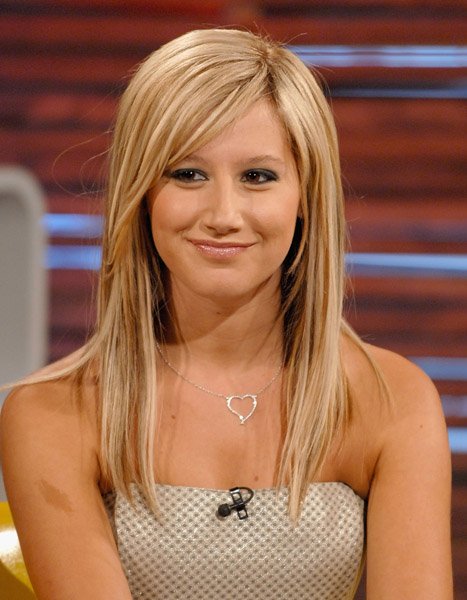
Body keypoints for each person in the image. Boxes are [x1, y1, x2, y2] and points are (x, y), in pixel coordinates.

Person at [0, 28, 452, 599]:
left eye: (257, 177)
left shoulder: (393, 399)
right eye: (188, 174)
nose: (223, 215)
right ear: (142, 194)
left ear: (305, 196)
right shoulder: (52, 411)